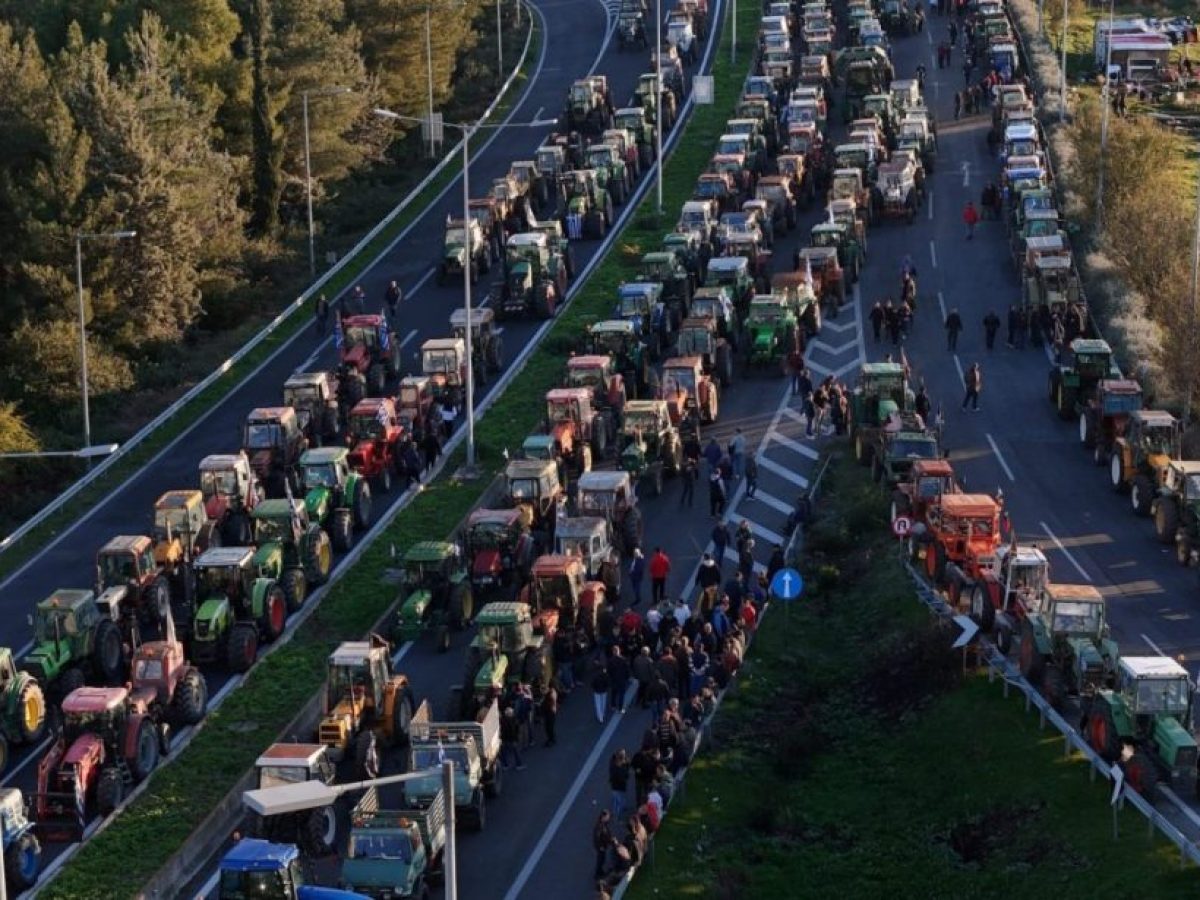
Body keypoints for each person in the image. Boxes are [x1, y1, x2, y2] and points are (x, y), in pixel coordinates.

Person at [608, 646, 631, 714]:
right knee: (621, 695)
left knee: (614, 693)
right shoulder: (623, 659)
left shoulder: (610, 660)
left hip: (614, 680)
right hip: (622, 680)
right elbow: (627, 670)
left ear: (613, 652)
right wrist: (627, 677)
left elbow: (609, 671)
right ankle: (620, 708)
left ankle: (613, 705)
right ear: (619, 651)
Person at [593, 810, 615, 880]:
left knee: (602, 858)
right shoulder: (599, 827)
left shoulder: (603, 824)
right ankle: (597, 874)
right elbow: (597, 838)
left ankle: (600, 871)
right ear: (603, 817)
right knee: (601, 859)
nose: (608, 818)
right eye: (607, 817)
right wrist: (600, 846)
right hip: (601, 847)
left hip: (603, 845)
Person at [609, 749, 631, 819]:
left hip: (617, 787)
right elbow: (625, 776)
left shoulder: (613, 763)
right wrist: (627, 766)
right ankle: (616, 816)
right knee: (618, 802)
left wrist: (626, 764)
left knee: (620, 799)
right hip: (618, 787)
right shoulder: (619, 769)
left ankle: (622, 808)